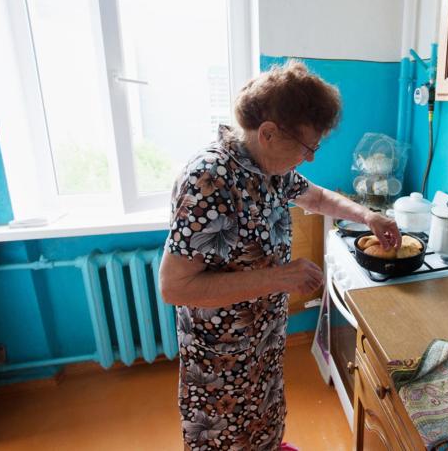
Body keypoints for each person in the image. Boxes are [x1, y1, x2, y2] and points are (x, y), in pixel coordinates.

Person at [159, 60, 400, 450]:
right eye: (307, 147)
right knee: (226, 438)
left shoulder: (268, 167)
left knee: (265, 421)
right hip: (223, 355)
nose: (311, 158)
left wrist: (368, 216)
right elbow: (174, 286)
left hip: (264, 340)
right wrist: (280, 277)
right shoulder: (210, 180)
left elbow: (316, 197)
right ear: (268, 133)